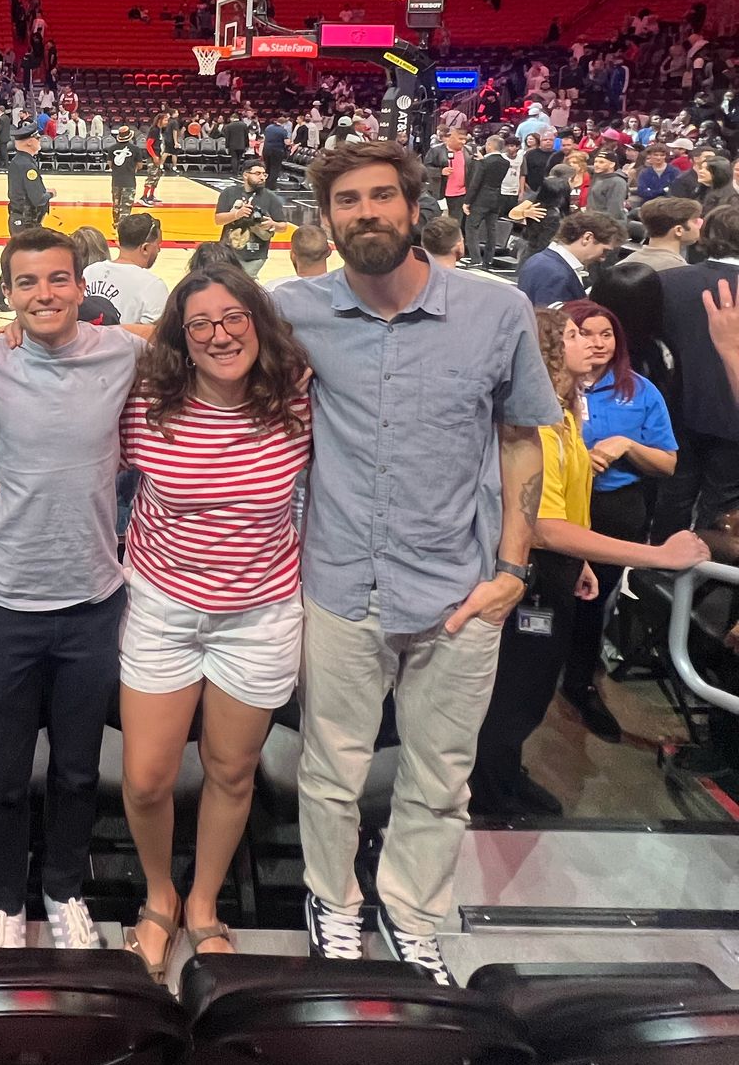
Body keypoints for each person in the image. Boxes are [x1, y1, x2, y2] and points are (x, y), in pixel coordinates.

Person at [275, 141, 561, 985]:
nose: (365, 213)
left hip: (460, 592)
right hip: (339, 585)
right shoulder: (294, 309)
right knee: (330, 772)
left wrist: (512, 569)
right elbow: (191, 353)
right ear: (326, 222)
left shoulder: (496, 311)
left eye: (380, 198)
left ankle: (410, 911)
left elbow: (519, 440)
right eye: (348, 202)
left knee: (441, 779)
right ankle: (332, 902)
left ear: (412, 206)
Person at [118, 266, 311, 978]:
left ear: (257, 321)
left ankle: (201, 905)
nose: (219, 334)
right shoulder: (147, 403)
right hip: (163, 609)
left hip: (260, 614)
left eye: (233, 318)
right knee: (146, 778)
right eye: (199, 324)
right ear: (181, 338)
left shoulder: (298, 400)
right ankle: (158, 895)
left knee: (231, 773)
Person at [0, 227, 142, 949]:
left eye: (56, 279)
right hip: (2, 603)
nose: (43, 294)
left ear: (79, 286)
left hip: (93, 602)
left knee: (75, 771)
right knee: (1, 775)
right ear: (7, 293)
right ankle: (5, 901)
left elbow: (200, 347)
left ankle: (64, 891)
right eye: (26, 283)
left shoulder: (121, 351)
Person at [470, 308, 704, 817]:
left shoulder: (565, 414)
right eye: (575, 334)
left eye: (598, 333)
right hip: (526, 575)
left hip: (556, 570)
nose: (591, 343)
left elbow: (568, 508)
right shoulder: (537, 427)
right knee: (515, 692)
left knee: (532, 690)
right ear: (548, 349)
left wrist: (580, 564)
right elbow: (542, 525)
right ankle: (489, 795)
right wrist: (656, 554)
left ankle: (504, 772)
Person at [557, 296, 678, 742]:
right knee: (549, 597)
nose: (597, 343)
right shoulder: (550, 386)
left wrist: (627, 443)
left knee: (593, 601)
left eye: (606, 334)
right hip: (556, 509)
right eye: (584, 333)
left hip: (613, 509)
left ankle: (579, 683)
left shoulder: (640, 391)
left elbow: (667, 464)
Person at [654, 205, 739, 536]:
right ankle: (707, 582)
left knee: (672, 496)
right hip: (732, 420)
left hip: (676, 410)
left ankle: (657, 575)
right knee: (722, 507)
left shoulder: (667, 282)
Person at [0, 127, 52, 311]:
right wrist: (49, 194)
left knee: (21, 259)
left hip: (22, 219)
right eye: (37, 139)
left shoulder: (20, 161)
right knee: (20, 260)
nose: (39, 142)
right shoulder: (26, 165)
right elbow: (37, 198)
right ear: (30, 142)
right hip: (25, 220)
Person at [516, 210, 623, 307]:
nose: (603, 258)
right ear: (587, 238)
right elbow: (552, 324)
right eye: (604, 250)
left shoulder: (540, 260)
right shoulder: (556, 274)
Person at [85, 211, 169, 325]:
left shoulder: (90, 271)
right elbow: (152, 336)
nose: (159, 250)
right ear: (145, 248)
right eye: (158, 245)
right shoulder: (153, 286)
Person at [215, 159, 285, 282]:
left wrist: (273, 224)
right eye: (257, 173)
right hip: (229, 250)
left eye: (264, 174)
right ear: (245, 175)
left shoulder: (270, 197)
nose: (262, 177)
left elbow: (283, 226)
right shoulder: (229, 193)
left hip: (256, 253)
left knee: (244, 281)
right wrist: (237, 214)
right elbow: (218, 220)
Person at [464, 134, 511, 270]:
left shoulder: (484, 162)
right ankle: (488, 260)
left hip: (481, 198)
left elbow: (476, 183)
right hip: (496, 198)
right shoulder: (505, 162)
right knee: (492, 229)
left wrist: (467, 202)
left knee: (471, 227)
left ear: (489, 145)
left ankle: (476, 259)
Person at [624, 195, 702, 271]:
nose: (700, 225)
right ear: (678, 230)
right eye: (695, 221)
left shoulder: (625, 263)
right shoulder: (679, 271)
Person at [109, 122, 139, 229]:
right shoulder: (136, 149)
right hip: (129, 181)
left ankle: (116, 224)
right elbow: (139, 165)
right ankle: (123, 228)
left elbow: (110, 165)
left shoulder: (112, 149)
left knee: (116, 205)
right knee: (126, 206)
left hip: (116, 181)